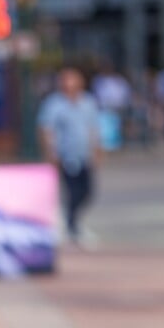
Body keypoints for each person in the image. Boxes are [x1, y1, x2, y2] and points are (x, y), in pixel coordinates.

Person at [37, 66, 102, 245]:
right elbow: (47, 129)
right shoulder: (54, 104)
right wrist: (51, 153)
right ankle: (72, 226)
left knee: (87, 191)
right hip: (66, 155)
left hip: (84, 154)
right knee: (72, 191)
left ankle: (72, 223)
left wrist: (97, 150)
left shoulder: (88, 102)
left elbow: (93, 128)